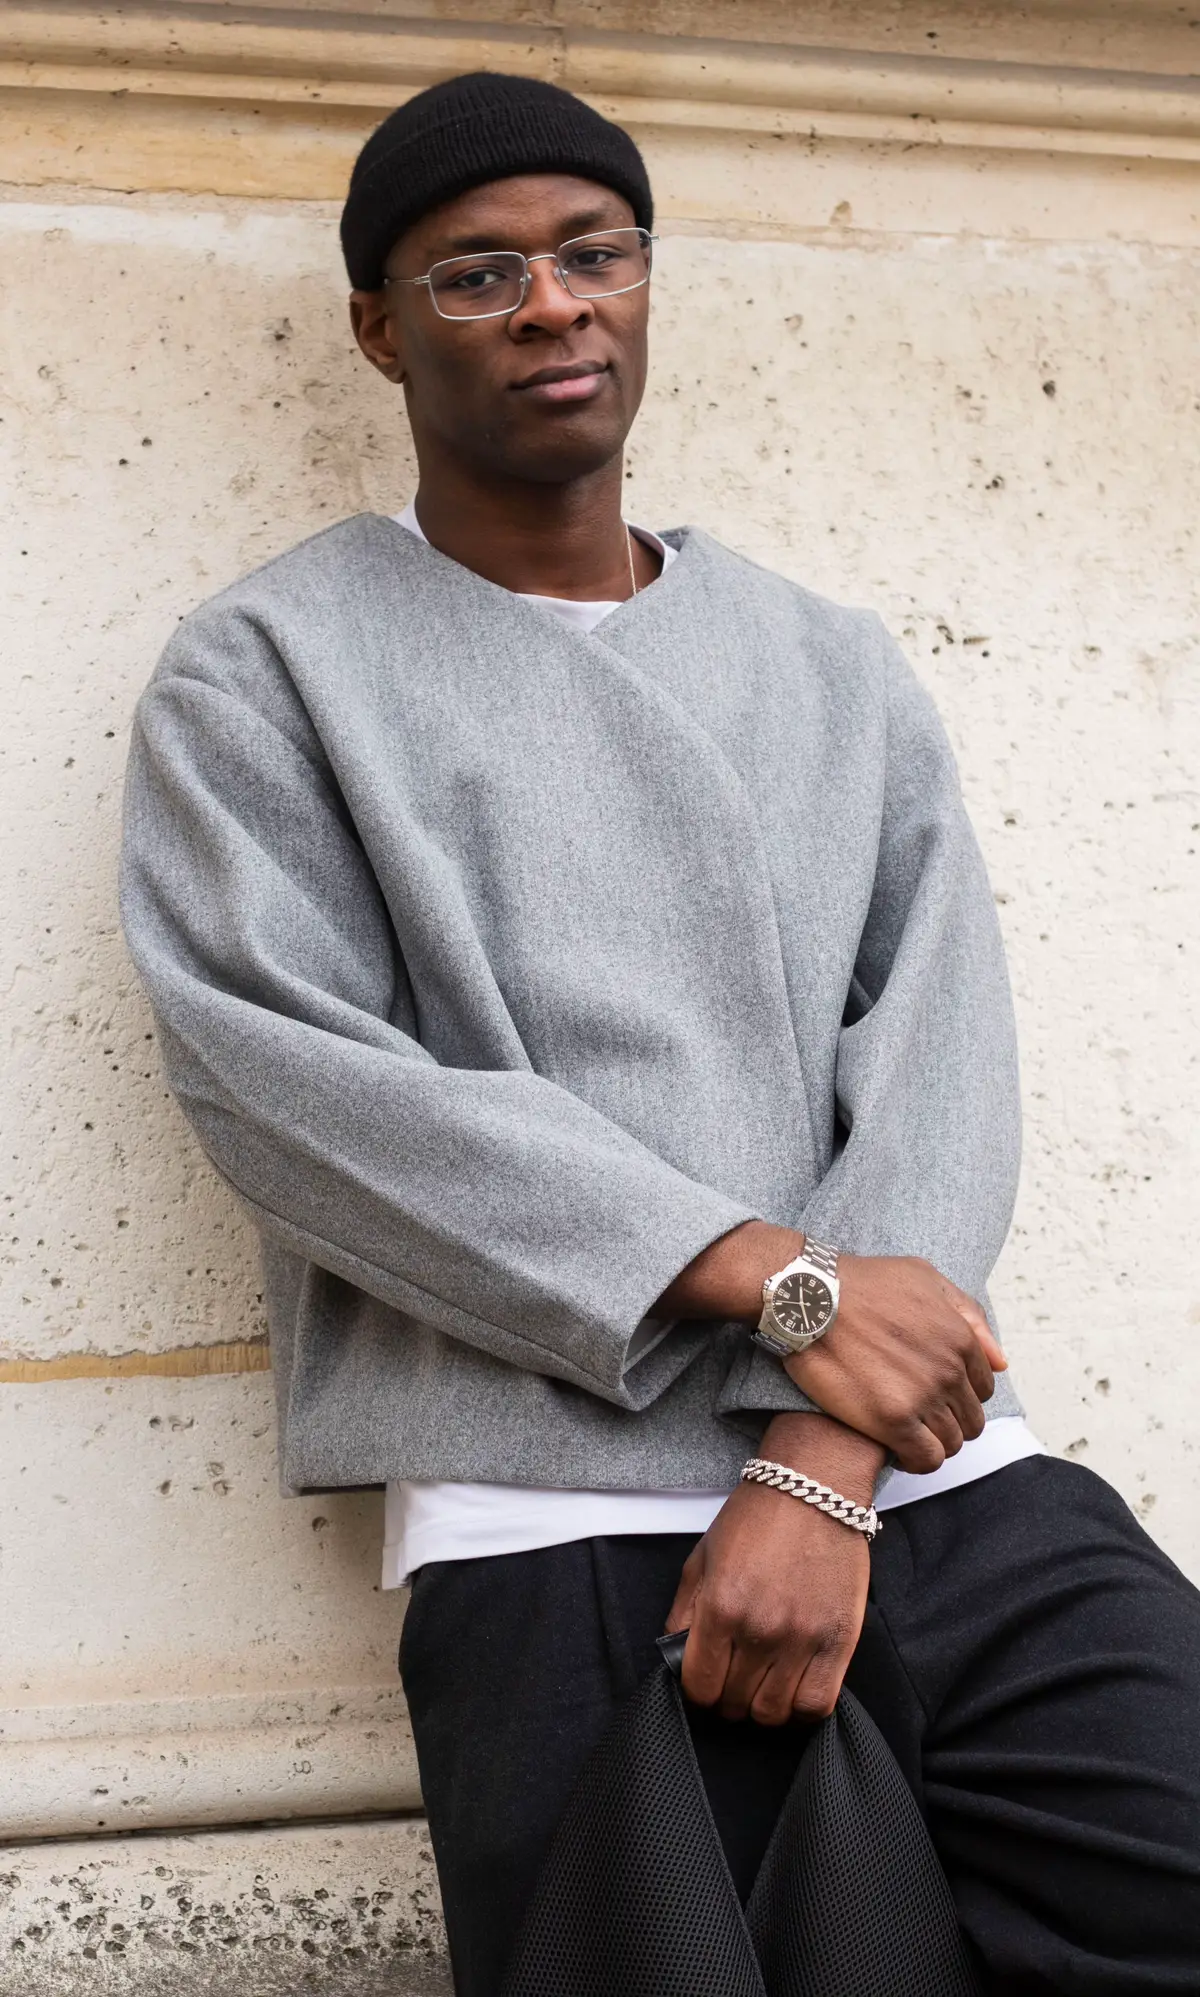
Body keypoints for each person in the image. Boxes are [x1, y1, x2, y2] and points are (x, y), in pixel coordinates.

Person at [120, 70, 1200, 1997]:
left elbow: (941, 1054)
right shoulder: (267, 671)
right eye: (477, 274)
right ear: (380, 330)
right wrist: (783, 1286)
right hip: (553, 1525)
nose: (553, 303)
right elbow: (289, 1085)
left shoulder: (828, 662)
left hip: (935, 1488)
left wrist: (818, 1458)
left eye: (594, 252)